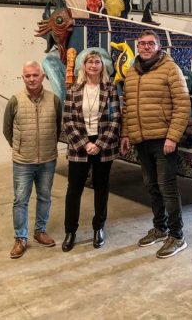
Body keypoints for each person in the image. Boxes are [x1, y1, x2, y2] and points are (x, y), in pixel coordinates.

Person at [120, 30, 190, 258]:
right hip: (141, 140)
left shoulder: (171, 69)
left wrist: (172, 137)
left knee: (167, 188)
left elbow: (182, 104)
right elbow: (127, 108)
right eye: (142, 43)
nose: (146, 47)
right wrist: (125, 134)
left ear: (159, 46)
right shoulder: (131, 73)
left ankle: (177, 236)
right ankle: (160, 228)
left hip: (163, 140)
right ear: (137, 46)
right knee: (151, 186)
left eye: (151, 43)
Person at [62, 50, 121, 252]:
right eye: (90, 62)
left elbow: (115, 119)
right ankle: (70, 231)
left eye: (97, 62)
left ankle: (99, 228)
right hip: (80, 144)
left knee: (101, 187)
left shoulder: (110, 89)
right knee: (74, 189)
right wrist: (86, 144)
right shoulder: (74, 89)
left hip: (104, 146)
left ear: (102, 66)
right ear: (83, 66)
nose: (94, 65)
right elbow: (67, 120)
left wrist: (99, 144)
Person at [3, 61, 62, 259]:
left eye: (35, 75)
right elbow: (7, 129)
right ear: (23, 77)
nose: (31, 79)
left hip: (47, 159)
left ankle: (39, 231)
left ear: (43, 76)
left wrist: (48, 146)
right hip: (23, 162)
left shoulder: (54, 100)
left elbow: (58, 127)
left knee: (44, 197)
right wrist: (20, 147)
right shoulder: (15, 101)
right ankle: (20, 238)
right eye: (27, 75)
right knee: (20, 200)